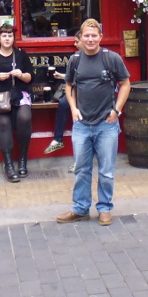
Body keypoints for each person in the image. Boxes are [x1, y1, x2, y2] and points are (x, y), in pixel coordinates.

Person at [56, 19, 131, 226]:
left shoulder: (111, 58)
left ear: (100, 37)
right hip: (82, 124)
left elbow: (125, 84)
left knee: (106, 171)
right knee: (81, 170)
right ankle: (80, 208)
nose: (90, 39)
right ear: (80, 38)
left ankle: (104, 208)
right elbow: (69, 85)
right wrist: (73, 108)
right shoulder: (75, 60)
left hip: (106, 124)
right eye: (86, 36)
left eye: (94, 36)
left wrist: (117, 111)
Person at [0, 22, 34, 182]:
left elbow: (30, 78)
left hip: (19, 94)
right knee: (4, 123)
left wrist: (21, 75)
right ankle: (8, 165)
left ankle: (22, 160)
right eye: (4, 35)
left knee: (25, 118)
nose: (7, 38)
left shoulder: (21, 54)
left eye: (10, 35)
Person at [44, 32, 81, 157]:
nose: (75, 44)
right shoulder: (76, 57)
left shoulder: (87, 57)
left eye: (77, 41)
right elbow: (74, 77)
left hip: (88, 93)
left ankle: (79, 158)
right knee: (63, 104)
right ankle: (58, 139)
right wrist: (61, 76)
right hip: (76, 90)